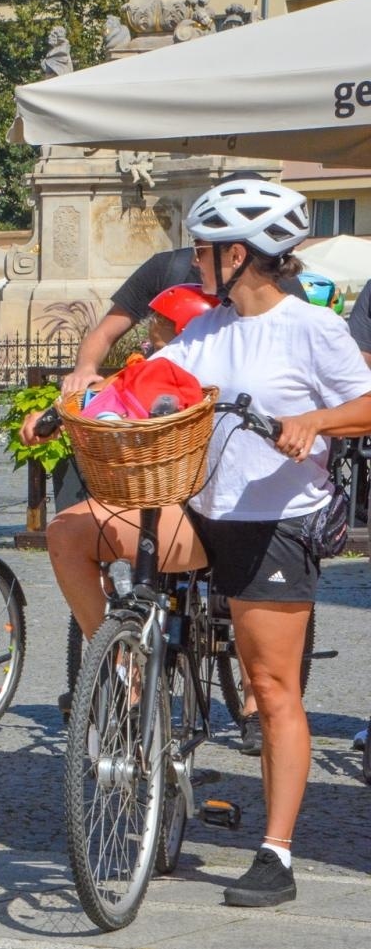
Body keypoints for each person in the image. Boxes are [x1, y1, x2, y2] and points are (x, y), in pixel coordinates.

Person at [26, 178, 371, 907]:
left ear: (239, 255)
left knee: (272, 688)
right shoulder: (206, 327)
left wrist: (318, 423)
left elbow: (367, 402)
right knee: (72, 531)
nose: (194, 259)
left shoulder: (311, 328)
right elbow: (144, 384)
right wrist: (75, 403)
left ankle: (275, 854)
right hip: (195, 507)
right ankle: (119, 669)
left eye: (205, 248)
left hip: (275, 523)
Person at [60, 171, 307, 398]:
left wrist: (309, 423)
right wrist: (84, 372)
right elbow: (105, 334)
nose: (196, 260)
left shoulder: (287, 291)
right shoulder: (166, 268)